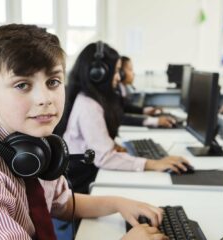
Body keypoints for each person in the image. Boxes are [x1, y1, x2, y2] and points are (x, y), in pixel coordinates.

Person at [0, 24, 168, 240]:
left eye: (53, 82)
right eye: (22, 85)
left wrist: (119, 203)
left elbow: (61, 204)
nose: (45, 99)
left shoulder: (37, 146)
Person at [56, 41, 191, 195]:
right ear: (98, 73)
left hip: (87, 171)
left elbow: (95, 144)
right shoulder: (89, 105)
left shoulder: (91, 99)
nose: (118, 77)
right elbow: (105, 158)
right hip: (81, 180)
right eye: (116, 70)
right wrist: (153, 164)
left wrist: (110, 144)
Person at [119, 56, 175, 128]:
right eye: (130, 69)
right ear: (121, 73)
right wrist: (155, 121)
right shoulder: (115, 91)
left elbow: (126, 108)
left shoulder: (123, 89)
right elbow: (120, 117)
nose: (134, 73)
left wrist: (145, 110)